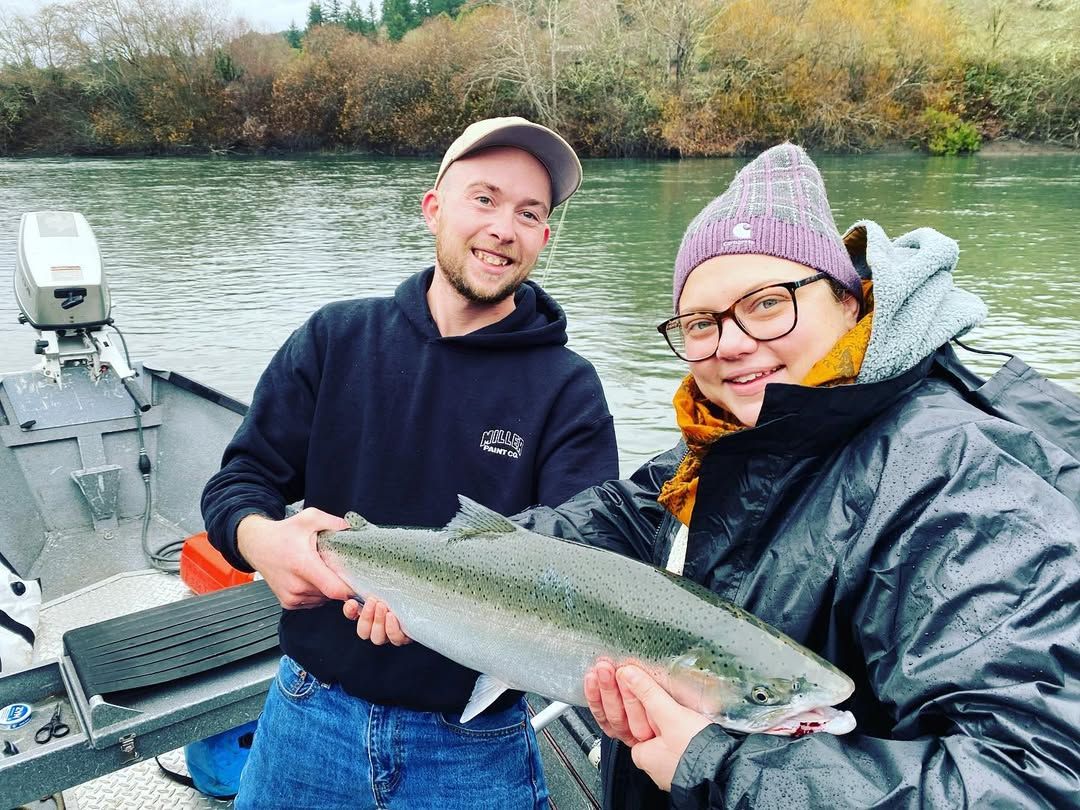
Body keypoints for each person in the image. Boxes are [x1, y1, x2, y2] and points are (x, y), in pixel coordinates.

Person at [356, 143, 1080, 808]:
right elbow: (598, 526)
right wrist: (428, 577)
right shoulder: (722, 452)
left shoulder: (965, 482)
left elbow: (1041, 778)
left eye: (768, 303)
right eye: (700, 322)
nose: (732, 343)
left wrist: (714, 763)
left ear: (850, 299)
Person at [200, 116, 620, 809]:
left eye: (529, 213)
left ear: (544, 237)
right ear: (434, 207)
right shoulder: (336, 338)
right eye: (483, 199)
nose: (502, 228)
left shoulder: (569, 389)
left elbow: (585, 556)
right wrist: (259, 539)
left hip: (472, 741)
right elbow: (238, 483)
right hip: (310, 708)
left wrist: (441, 606)